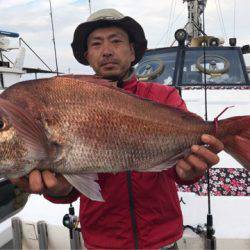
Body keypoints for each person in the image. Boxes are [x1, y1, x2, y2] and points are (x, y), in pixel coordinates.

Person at [10, 9, 224, 249]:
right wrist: (60, 191)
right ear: (87, 55)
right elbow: (71, 185)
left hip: (161, 239)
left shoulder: (165, 97)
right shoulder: (67, 97)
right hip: (102, 240)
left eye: (116, 41)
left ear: (132, 52)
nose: (107, 50)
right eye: (97, 44)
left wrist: (188, 173)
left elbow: (178, 168)